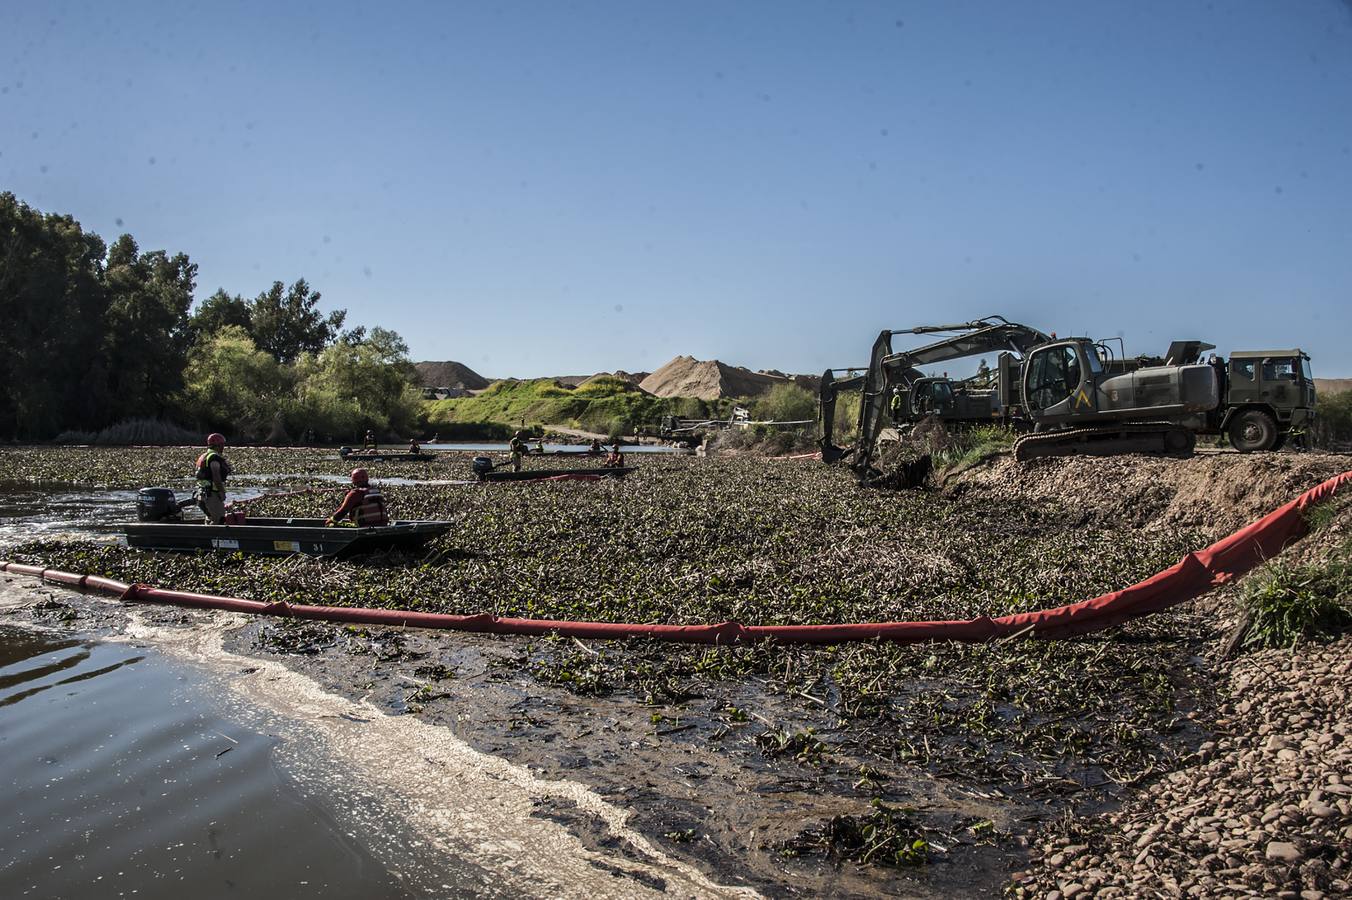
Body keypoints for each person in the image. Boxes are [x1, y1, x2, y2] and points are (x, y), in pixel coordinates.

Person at [195, 433, 233, 525]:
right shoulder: (214, 458)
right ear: (218, 445)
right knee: (220, 521)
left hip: (201, 495)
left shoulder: (204, 456)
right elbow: (216, 477)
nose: (223, 447)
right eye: (222, 445)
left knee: (210, 519)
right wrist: (222, 492)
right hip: (211, 495)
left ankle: (205, 538)